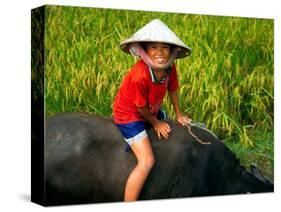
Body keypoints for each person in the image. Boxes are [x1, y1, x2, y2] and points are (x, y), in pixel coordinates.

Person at [113, 19, 192, 202]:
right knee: (147, 161)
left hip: (151, 108)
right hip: (131, 114)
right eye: (153, 47)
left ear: (173, 51)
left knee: (169, 122)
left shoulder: (169, 68)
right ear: (144, 50)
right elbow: (140, 107)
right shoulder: (139, 76)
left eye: (165, 47)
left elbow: (172, 89)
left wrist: (179, 113)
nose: (160, 53)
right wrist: (155, 123)